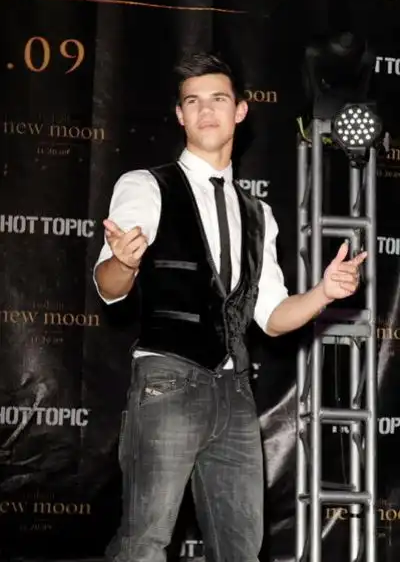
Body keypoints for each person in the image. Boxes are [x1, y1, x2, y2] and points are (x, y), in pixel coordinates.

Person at [93, 52, 366, 562]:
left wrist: (324, 293)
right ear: (180, 115)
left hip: (235, 394)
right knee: (144, 543)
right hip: (168, 382)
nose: (206, 111)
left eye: (218, 99)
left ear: (240, 110)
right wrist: (124, 263)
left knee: (241, 550)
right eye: (193, 101)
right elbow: (109, 286)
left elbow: (272, 318)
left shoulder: (258, 214)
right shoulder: (145, 185)